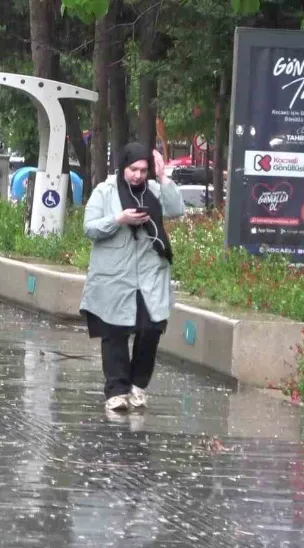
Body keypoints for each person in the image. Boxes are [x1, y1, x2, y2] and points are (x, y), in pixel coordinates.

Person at [79, 142, 185, 413]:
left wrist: (163, 177)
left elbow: (176, 210)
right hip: (114, 275)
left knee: (151, 328)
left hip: (150, 274)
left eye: (143, 170)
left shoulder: (154, 190)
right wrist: (118, 220)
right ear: (122, 167)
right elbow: (89, 228)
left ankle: (138, 385)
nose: (138, 175)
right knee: (114, 332)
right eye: (133, 169)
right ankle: (116, 392)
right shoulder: (105, 191)